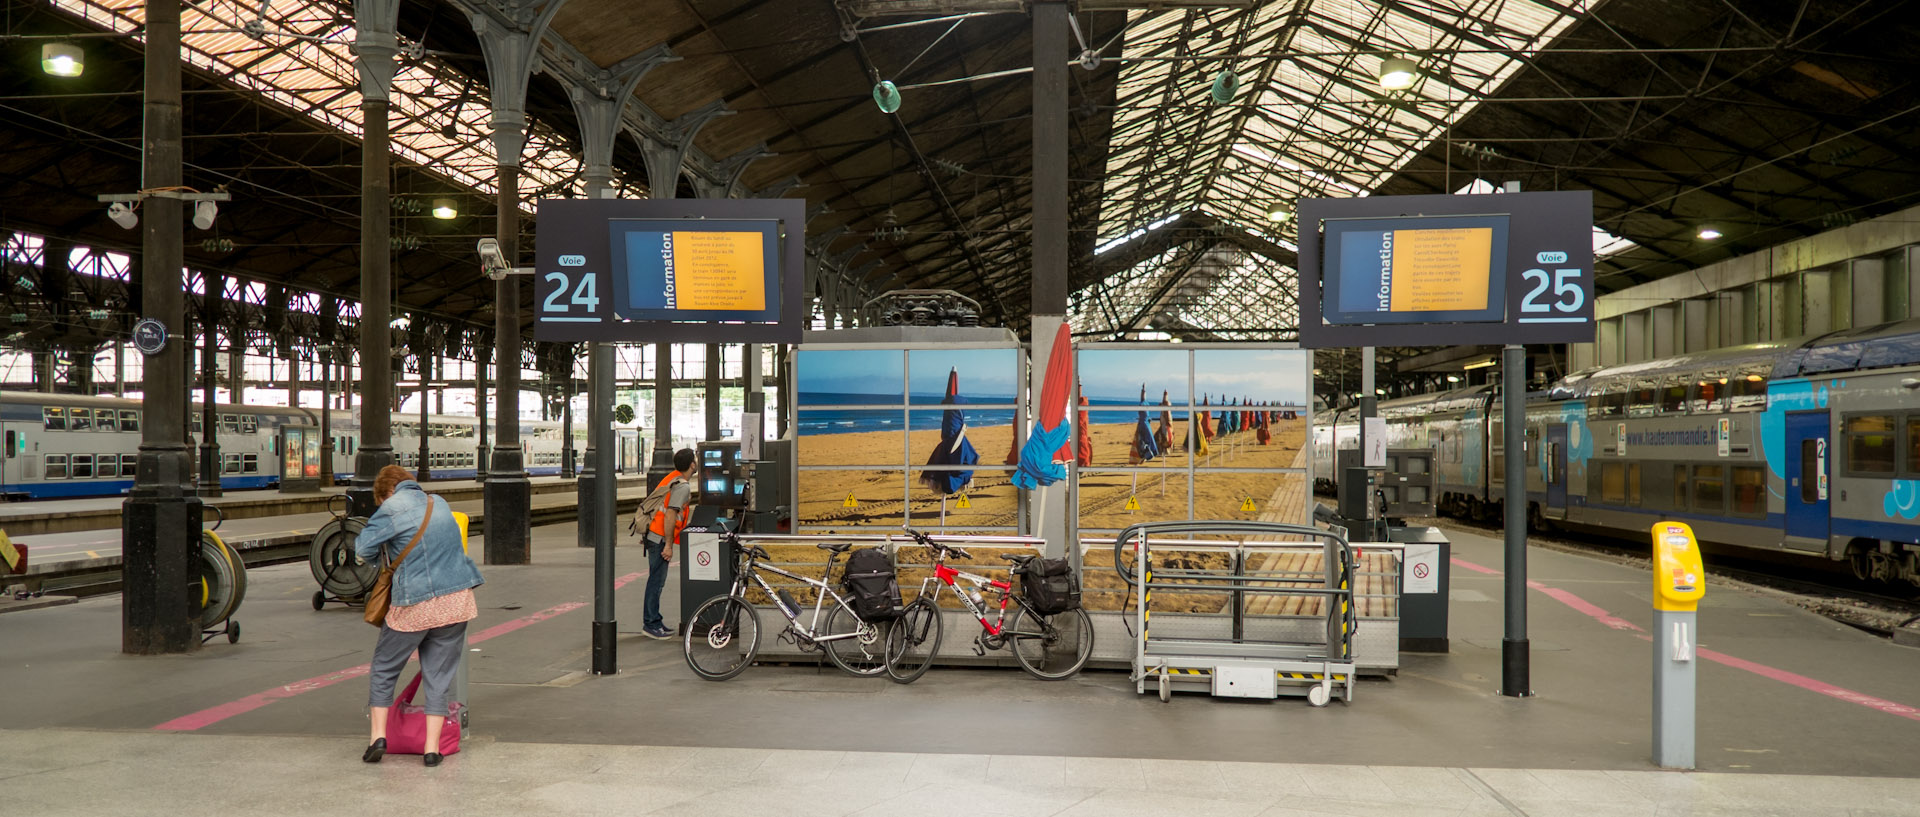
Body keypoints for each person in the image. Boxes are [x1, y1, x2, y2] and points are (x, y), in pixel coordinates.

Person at [354, 465, 483, 767]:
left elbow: (362, 549)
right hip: (456, 601)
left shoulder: (391, 508)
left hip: (415, 604)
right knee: (438, 677)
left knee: (385, 667)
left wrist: (381, 557)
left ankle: (377, 739)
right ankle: (431, 748)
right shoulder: (439, 502)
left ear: (386, 492)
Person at [640, 448, 697, 639]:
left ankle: (655, 620)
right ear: (692, 465)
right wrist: (669, 545)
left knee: (655, 580)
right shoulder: (682, 486)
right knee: (656, 582)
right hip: (659, 538)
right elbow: (670, 515)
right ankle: (651, 624)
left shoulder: (672, 478)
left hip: (653, 534)